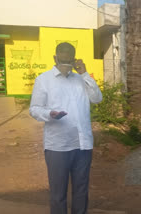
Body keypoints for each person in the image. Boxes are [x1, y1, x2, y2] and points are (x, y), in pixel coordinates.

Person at [29, 42, 102, 214]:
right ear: (55, 57)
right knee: (58, 193)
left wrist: (84, 73)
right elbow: (34, 108)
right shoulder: (43, 80)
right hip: (58, 146)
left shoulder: (81, 79)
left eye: (70, 59)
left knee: (81, 191)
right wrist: (49, 114)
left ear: (74, 59)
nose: (66, 62)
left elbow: (97, 98)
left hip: (82, 145)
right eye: (62, 58)